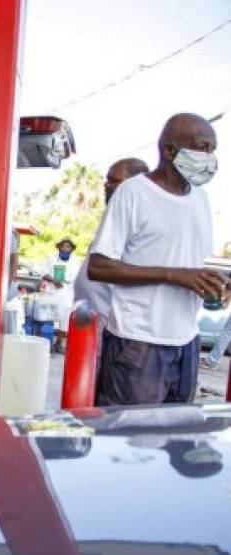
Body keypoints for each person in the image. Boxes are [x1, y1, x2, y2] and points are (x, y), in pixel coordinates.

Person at [88, 113, 222, 406]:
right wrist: (175, 275)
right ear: (170, 151)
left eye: (213, 150)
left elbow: (188, 262)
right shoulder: (133, 193)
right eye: (202, 148)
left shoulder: (200, 199)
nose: (209, 158)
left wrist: (212, 282)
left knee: (172, 443)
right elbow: (98, 266)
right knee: (127, 444)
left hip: (186, 342)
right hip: (138, 343)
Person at [74, 158, 149, 324]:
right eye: (107, 181)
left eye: (114, 181)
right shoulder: (112, 219)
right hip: (91, 321)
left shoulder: (140, 222)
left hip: (111, 325)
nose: (107, 186)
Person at [40, 237, 81, 352]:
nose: (65, 248)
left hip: (67, 293)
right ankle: (47, 343)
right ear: (59, 247)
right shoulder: (51, 258)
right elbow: (43, 273)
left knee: (65, 320)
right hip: (52, 292)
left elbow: (77, 277)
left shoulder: (76, 261)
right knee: (48, 318)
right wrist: (53, 280)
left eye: (68, 246)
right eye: (63, 246)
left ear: (72, 249)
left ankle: (59, 343)